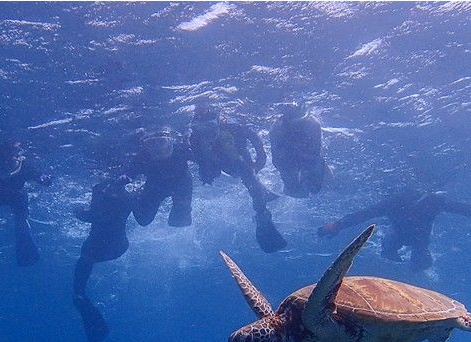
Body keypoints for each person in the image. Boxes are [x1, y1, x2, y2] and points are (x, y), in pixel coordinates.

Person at [317, 188, 471, 272]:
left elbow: (463, 208)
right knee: (388, 252)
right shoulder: (395, 202)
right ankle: (394, 260)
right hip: (396, 237)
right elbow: (365, 214)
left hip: (420, 240)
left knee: (421, 263)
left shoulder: (433, 201)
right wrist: (338, 224)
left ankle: (413, 270)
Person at [189, 103, 286, 253]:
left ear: (219, 122)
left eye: (210, 125)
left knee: (249, 178)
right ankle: (262, 201)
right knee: (237, 176)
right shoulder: (195, 138)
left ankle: (262, 214)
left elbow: (254, 138)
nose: (207, 131)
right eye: (201, 128)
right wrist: (205, 172)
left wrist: (260, 159)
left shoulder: (233, 128)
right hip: (219, 162)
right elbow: (198, 158)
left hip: (239, 159)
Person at [72, 174, 135, 342]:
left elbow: (91, 215)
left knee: (80, 281)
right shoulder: (123, 196)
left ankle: (80, 296)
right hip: (117, 246)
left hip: (102, 246)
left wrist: (78, 211)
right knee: (85, 262)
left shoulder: (103, 193)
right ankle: (81, 298)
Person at [123, 127, 193, 227]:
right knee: (143, 220)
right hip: (155, 186)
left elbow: (200, 158)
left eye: (161, 142)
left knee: (179, 221)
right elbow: (132, 169)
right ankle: (136, 195)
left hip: (181, 184)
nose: (157, 148)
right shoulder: (144, 155)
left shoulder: (181, 149)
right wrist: (126, 176)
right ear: (146, 146)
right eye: (151, 144)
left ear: (170, 141)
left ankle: (136, 195)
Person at [269, 102, 330, 198]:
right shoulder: (276, 128)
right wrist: (286, 169)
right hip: (288, 159)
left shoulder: (313, 124)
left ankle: (309, 182)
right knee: (293, 190)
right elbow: (276, 158)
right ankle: (296, 185)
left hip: (306, 158)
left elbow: (316, 152)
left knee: (314, 187)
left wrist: (308, 163)